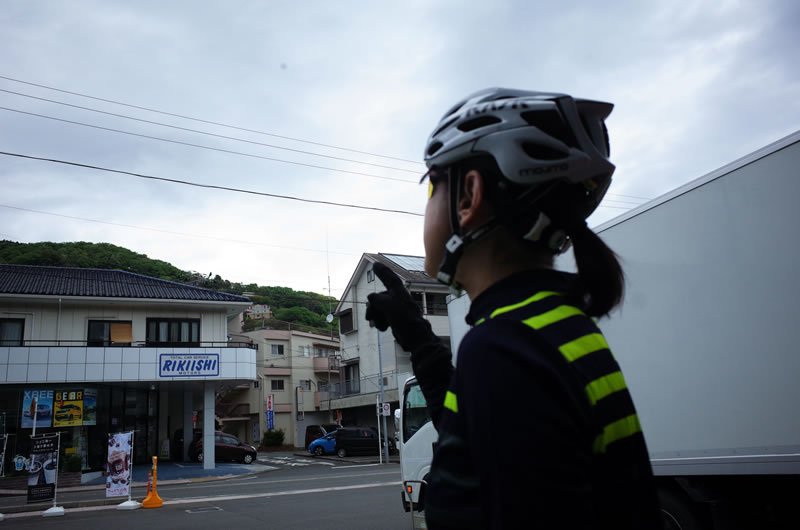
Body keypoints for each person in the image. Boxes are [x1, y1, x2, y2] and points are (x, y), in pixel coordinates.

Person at [366, 88, 662, 529]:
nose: (426, 201)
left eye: (431, 184)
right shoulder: (548, 327)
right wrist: (419, 341)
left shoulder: (504, 349)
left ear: (468, 195)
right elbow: (477, 449)